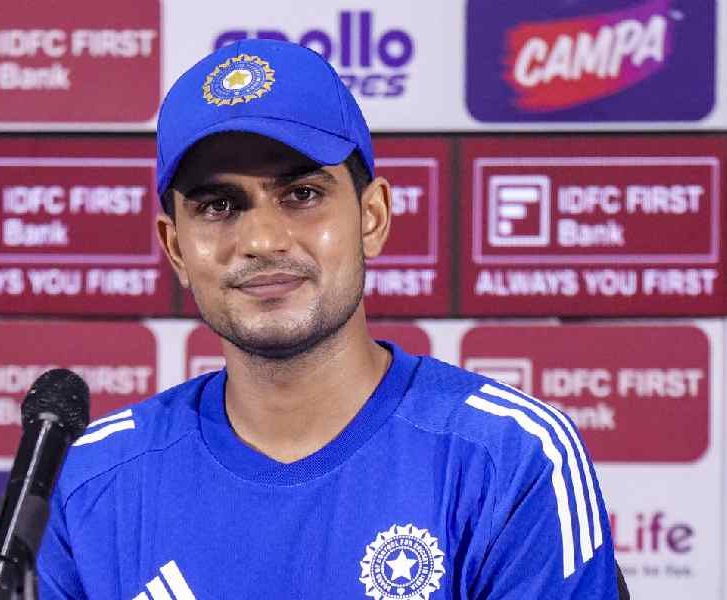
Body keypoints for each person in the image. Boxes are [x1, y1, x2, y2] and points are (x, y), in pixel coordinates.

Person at [38, 39, 622, 599]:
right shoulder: (93, 481)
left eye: (301, 194)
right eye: (219, 206)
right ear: (175, 249)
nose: (262, 240)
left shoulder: (509, 455)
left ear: (372, 217)